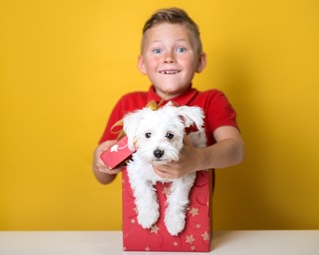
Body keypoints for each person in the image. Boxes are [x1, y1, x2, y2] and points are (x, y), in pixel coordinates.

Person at [93, 7, 244, 185]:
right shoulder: (129, 104)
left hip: (194, 210)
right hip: (139, 210)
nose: (168, 58)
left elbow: (236, 150)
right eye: (157, 50)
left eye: (180, 49)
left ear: (200, 61)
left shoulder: (211, 100)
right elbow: (104, 178)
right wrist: (100, 161)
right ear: (142, 64)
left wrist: (197, 159)